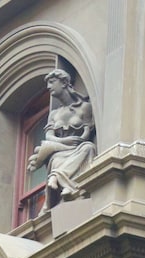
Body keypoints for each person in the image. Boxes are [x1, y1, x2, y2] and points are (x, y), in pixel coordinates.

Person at [27, 69, 96, 209]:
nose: (48, 87)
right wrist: (65, 141)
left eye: (52, 82)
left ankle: (60, 180)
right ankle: (60, 180)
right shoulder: (54, 114)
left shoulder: (85, 107)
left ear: (64, 82)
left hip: (78, 148)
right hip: (59, 150)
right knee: (57, 159)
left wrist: (77, 140)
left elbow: (87, 133)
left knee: (89, 147)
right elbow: (49, 136)